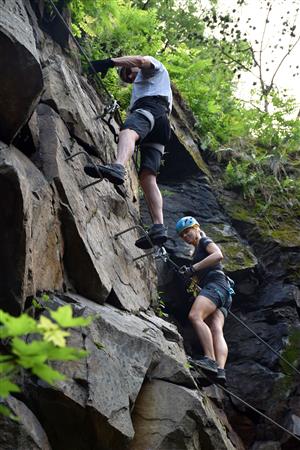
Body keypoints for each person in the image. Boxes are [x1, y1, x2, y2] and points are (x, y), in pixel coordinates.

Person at [84, 55, 172, 249]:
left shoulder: (153, 68)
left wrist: (109, 62)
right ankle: (159, 226)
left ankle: (117, 167)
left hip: (152, 108)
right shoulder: (146, 85)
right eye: (126, 78)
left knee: (128, 130)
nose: (129, 78)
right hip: (162, 124)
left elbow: (140, 61)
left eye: (128, 73)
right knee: (147, 177)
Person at [175, 216, 233, 385]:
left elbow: (218, 255)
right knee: (216, 328)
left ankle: (210, 359)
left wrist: (193, 268)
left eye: (188, 231)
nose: (186, 236)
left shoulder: (204, 241)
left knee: (195, 316)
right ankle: (220, 370)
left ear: (196, 228)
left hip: (216, 285)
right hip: (222, 291)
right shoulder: (197, 250)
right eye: (182, 235)